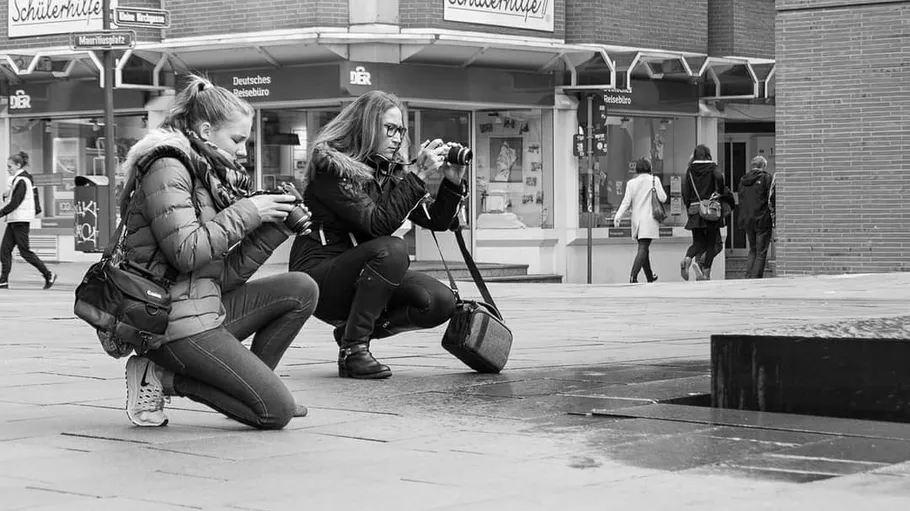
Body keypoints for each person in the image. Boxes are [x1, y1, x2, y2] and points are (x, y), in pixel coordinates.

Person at [118, 75, 319, 429]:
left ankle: (251, 387)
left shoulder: (208, 177)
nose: (243, 150)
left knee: (302, 288)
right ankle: (162, 377)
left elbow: (223, 276)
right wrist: (250, 212)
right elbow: (186, 252)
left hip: (204, 306)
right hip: (168, 323)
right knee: (275, 412)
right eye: (237, 139)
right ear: (206, 130)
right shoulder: (167, 167)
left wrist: (277, 228)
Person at [288, 90, 467, 380]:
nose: (397, 137)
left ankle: (349, 332)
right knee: (393, 249)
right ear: (367, 127)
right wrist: (418, 175)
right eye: (390, 129)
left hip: (362, 274)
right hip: (318, 276)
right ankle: (353, 350)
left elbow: (436, 220)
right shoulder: (333, 168)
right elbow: (377, 225)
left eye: (401, 130)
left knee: (439, 301)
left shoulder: (388, 172)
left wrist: (452, 182)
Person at [0, 151, 56, 290]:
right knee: (4, 250)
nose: (8, 169)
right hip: (14, 220)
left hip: (20, 220)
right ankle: (3, 281)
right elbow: (14, 200)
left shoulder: (22, 180)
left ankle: (48, 274)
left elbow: (16, 202)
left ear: (18, 165)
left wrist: (1, 212)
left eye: (10, 166)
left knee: (25, 251)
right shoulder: (18, 180)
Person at [680, 144, 734, 281]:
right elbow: (720, 178)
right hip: (711, 209)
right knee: (711, 243)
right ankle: (706, 274)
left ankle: (687, 259)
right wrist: (719, 192)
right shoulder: (712, 167)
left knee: (697, 242)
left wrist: (689, 205)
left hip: (694, 209)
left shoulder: (690, 170)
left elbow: (685, 191)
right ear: (708, 155)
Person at [613, 157, 667, 283]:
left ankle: (649, 276)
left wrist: (618, 217)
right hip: (649, 219)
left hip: (637, 220)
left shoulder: (631, 183)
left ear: (637, 169)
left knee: (644, 248)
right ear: (649, 168)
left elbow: (626, 202)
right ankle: (633, 276)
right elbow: (663, 198)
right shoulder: (654, 180)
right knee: (643, 247)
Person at [737, 155, 774, 278]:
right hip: (762, 219)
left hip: (747, 220)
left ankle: (748, 277)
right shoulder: (766, 178)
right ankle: (755, 280)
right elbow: (772, 198)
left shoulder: (743, 179)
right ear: (763, 166)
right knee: (761, 252)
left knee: (752, 250)